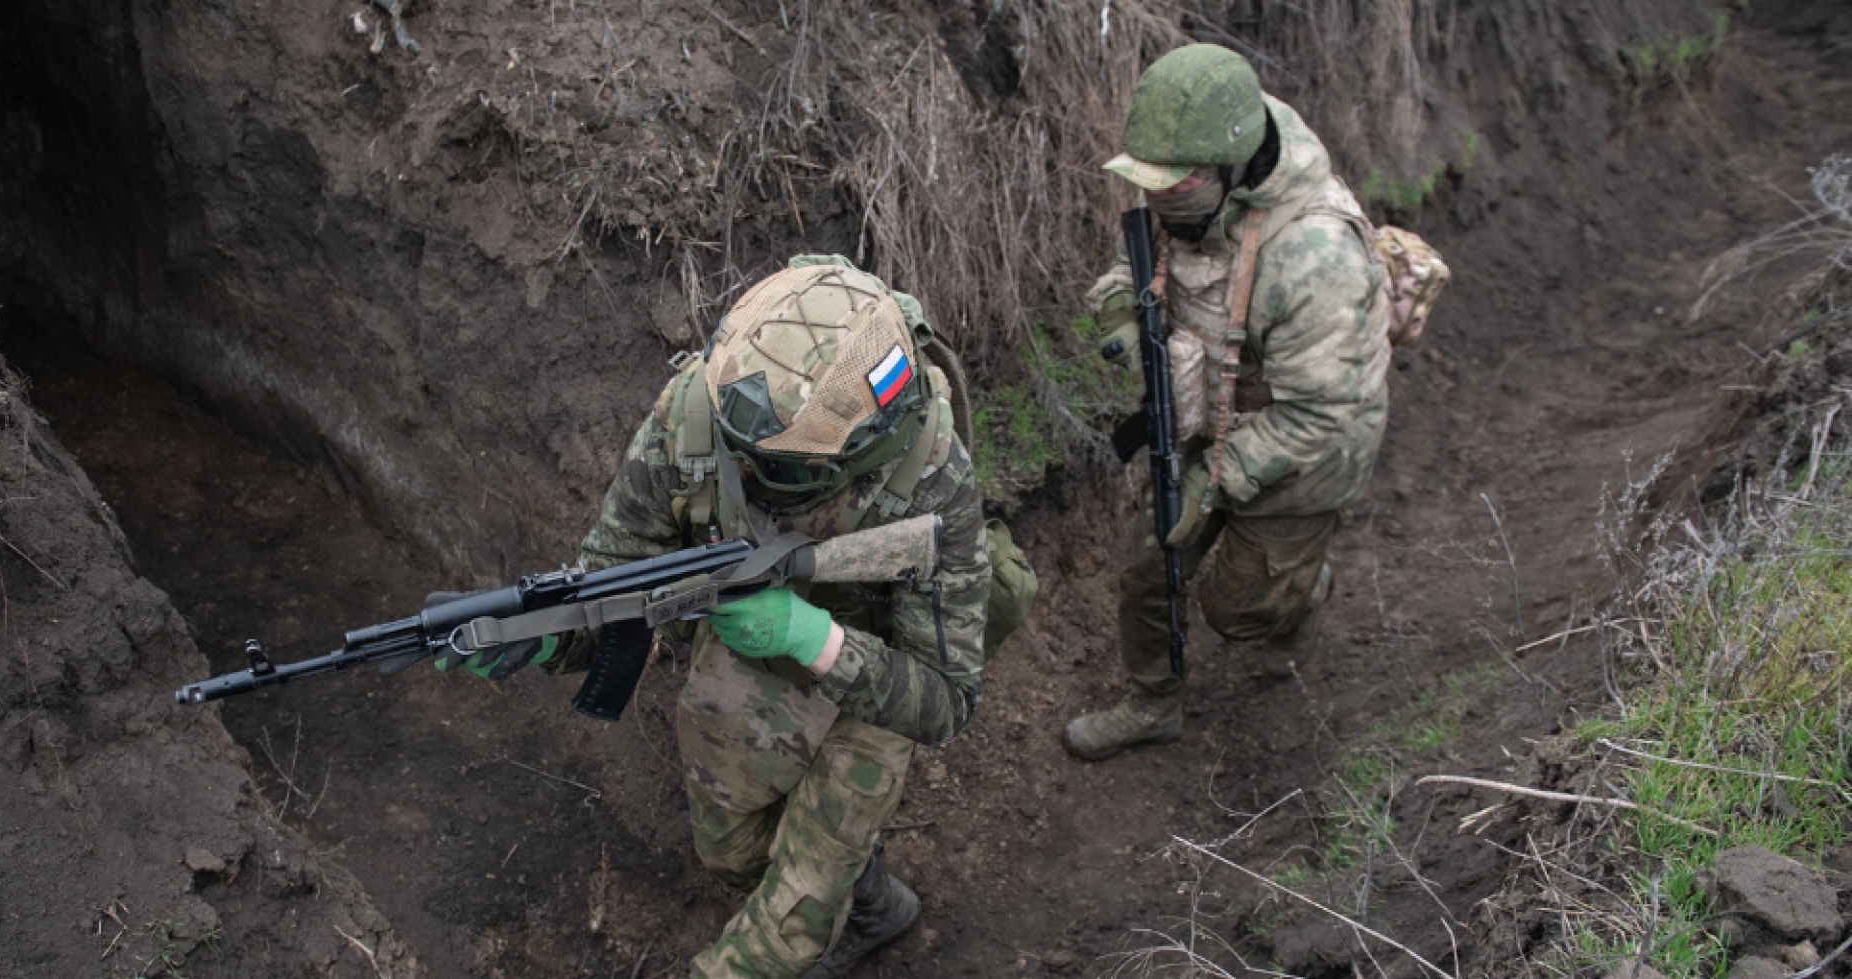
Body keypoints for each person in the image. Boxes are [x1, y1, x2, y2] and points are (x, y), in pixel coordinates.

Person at [452, 257, 989, 977]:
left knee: (787, 922)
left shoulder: (934, 480)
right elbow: (616, 568)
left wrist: (813, 637)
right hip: (749, 629)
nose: (750, 473)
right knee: (730, 852)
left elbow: (947, 699)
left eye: (776, 466)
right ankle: (872, 898)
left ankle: (834, 894)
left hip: (879, 669)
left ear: (853, 454)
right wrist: (546, 635)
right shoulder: (696, 413)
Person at [1064, 43, 1391, 761]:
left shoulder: (1316, 257)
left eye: (1172, 187)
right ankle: (1153, 702)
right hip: (1203, 408)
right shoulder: (1187, 188)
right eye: (1148, 184)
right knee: (1147, 566)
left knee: (1238, 612)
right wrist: (1123, 304)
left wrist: (1216, 477)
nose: (1157, 199)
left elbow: (1322, 411)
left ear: (1230, 168)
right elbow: (1144, 250)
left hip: (1306, 446)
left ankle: (1300, 593)